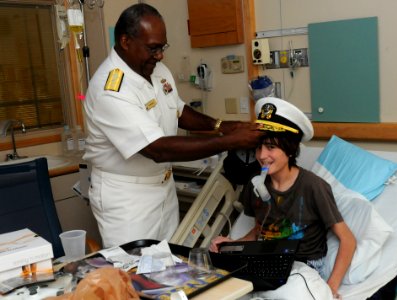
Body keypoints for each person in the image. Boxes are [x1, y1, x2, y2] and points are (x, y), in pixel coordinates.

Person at [82, 3, 263, 248]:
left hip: (163, 188)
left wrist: (221, 125)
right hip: (127, 198)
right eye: (153, 48)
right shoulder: (111, 88)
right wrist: (230, 141)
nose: (160, 55)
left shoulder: (157, 70)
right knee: (134, 274)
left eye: (162, 47)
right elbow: (157, 149)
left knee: (169, 265)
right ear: (125, 41)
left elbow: (178, 111)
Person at [210, 97, 356, 298]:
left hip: (303, 267)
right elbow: (259, 230)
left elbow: (348, 240)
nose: (262, 155)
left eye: (270, 147)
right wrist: (231, 246)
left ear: (290, 149)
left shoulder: (313, 187)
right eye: (259, 147)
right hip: (265, 259)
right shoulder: (255, 185)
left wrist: (331, 286)